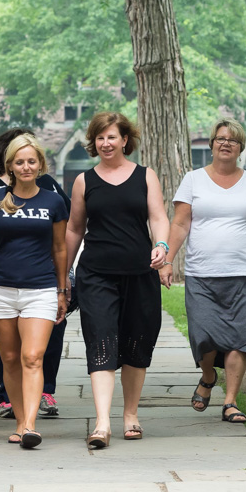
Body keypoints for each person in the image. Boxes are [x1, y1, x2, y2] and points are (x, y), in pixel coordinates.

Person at [66, 112, 170, 448]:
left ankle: (130, 415)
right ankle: (101, 423)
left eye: (111, 137)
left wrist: (162, 245)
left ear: (125, 140)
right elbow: (73, 229)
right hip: (95, 274)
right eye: (100, 138)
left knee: (137, 343)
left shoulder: (145, 176)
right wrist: (64, 276)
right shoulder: (84, 181)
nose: (105, 143)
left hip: (140, 274)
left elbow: (159, 217)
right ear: (93, 143)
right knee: (100, 342)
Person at [160, 118, 246, 424]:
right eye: (220, 138)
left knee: (239, 339)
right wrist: (167, 259)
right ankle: (208, 376)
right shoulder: (193, 180)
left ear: (241, 147)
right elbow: (180, 223)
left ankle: (230, 401)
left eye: (232, 140)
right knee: (203, 335)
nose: (225, 143)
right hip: (201, 273)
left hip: (244, 273)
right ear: (211, 144)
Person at [0, 133, 69, 448]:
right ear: (10, 165)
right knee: (11, 357)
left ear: (40, 163)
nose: (26, 167)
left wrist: (61, 289)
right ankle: (19, 420)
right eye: (19, 161)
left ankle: (29, 425)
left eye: (31, 161)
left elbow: (59, 248)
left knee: (32, 356)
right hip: (0, 287)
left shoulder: (53, 201)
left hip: (40, 289)